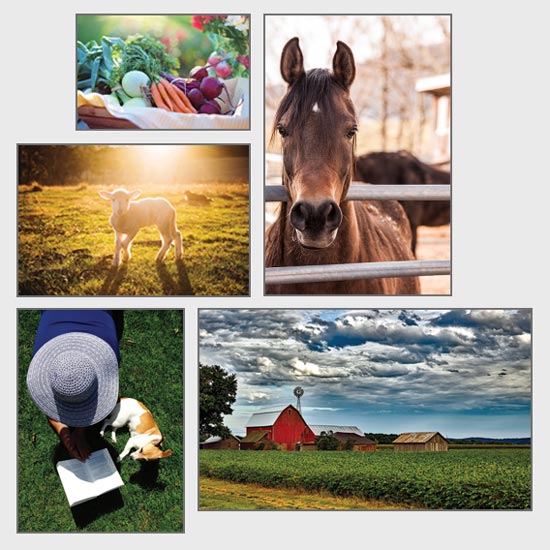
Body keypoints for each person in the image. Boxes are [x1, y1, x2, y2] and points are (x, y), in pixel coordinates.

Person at [27, 310, 124, 462]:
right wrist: (64, 432)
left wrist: (78, 431)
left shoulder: (110, 356)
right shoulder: (41, 356)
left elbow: (47, 397)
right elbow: (48, 394)